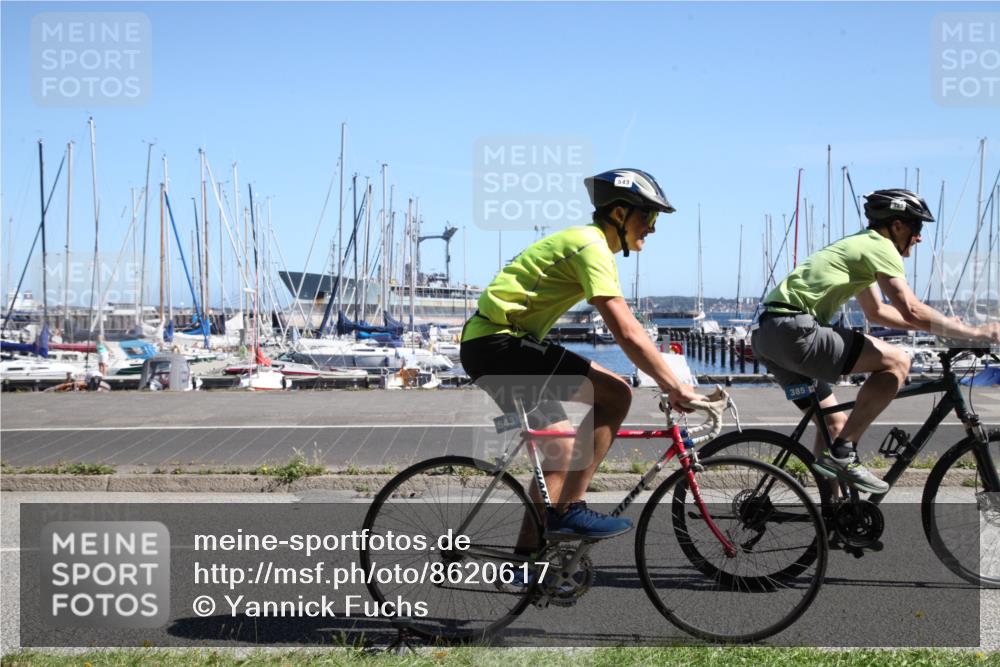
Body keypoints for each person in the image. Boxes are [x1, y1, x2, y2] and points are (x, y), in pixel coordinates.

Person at [460, 168, 700, 540]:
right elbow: (627, 331)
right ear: (619, 214)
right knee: (616, 393)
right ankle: (570, 509)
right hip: (499, 343)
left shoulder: (587, 243)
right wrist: (675, 385)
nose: (652, 227)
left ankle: (527, 566)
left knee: (559, 451)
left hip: (493, 345)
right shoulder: (592, 247)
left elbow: (628, 329)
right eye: (648, 216)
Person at [752, 188, 1000, 494]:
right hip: (796, 331)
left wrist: (939, 328)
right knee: (898, 361)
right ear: (897, 226)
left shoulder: (859, 245)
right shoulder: (881, 247)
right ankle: (844, 453)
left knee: (834, 424)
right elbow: (910, 308)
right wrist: (977, 333)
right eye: (916, 227)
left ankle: (832, 516)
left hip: (769, 335)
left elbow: (878, 311)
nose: (919, 237)